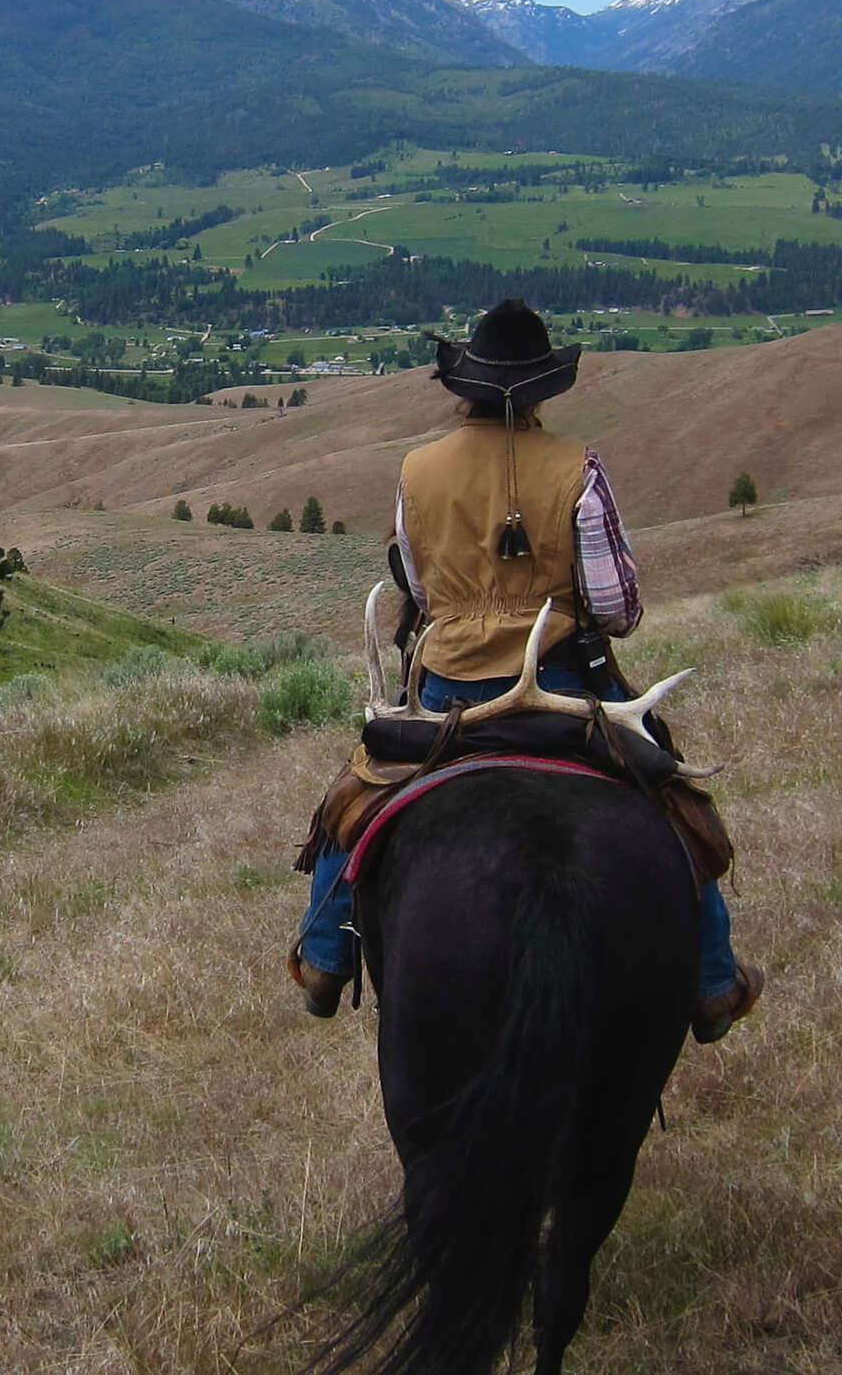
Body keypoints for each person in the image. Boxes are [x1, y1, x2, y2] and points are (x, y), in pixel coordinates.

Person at [290, 299, 763, 1042]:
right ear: (543, 390)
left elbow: (416, 585)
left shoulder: (417, 470)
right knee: (671, 798)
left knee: (356, 796)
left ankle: (323, 957)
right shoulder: (580, 467)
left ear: (464, 386)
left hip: (445, 693)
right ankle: (711, 981)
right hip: (568, 691)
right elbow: (616, 607)